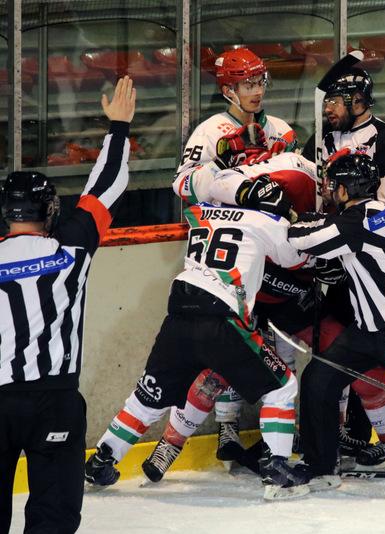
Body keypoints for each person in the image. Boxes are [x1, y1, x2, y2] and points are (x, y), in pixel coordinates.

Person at [85, 166, 314, 500]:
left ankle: (102, 461)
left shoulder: (201, 211)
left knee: (149, 395)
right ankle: (277, 469)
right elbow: (298, 259)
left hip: (179, 312)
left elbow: (187, 182)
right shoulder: (267, 222)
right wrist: (293, 220)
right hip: (222, 319)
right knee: (282, 387)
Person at [0, 76, 136, 534]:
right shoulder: (71, 248)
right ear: (50, 210)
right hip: (54, 401)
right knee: (54, 518)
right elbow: (107, 186)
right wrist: (118, 128)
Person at [174, 46, 297, 463]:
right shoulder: (210, 131)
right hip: (228, 256)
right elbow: (182, 185)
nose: (256, 90)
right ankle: (227, 427)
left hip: (272, 249)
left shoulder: (281, 130)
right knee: (230, 342)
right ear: (228, 89)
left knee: (279, 344)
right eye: (247, 84)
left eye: (260, 81)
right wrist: (216, 167)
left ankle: (275, 432)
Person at [286, 151, 385, 487]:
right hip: (369, 330)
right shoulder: (370, 212)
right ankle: (321, 466)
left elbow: (303, 239)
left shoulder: (360, 220)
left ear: (346, 189)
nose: (329, 189)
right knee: (318, 378)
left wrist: (294, 217)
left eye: (334, 184)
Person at [301, 66, 385, 220]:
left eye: (334, 101)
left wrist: (348, 226)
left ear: (357, 100)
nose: (327, 109)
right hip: (326, 225)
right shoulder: (322, 136)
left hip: (366, 230)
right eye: (326, 102)